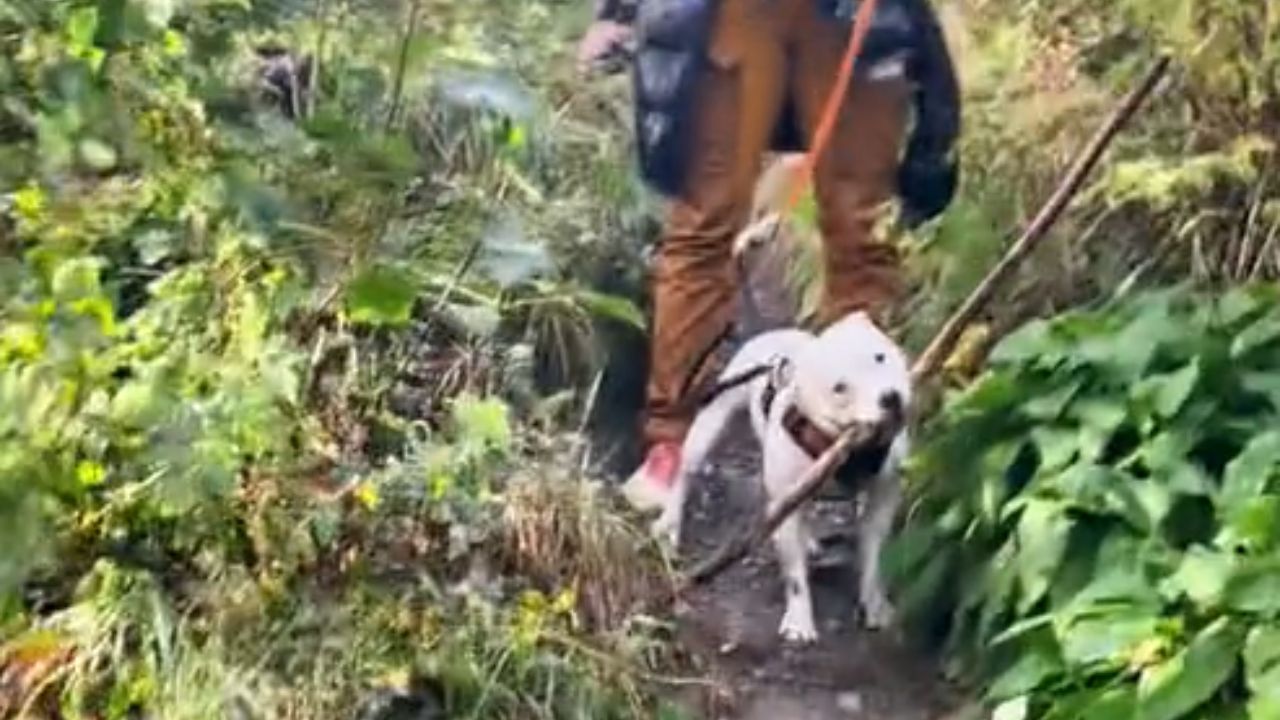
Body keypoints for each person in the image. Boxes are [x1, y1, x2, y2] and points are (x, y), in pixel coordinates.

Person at [578, 0, 961, 510]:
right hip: (730, 16)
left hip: (858, 26)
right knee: (702, 226)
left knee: (861, 234)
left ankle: (857, 444)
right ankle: (670, 445)